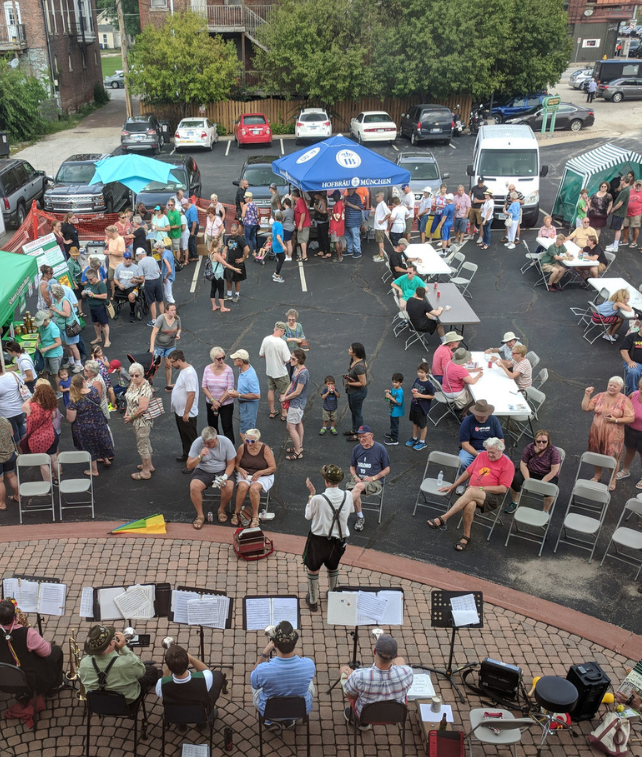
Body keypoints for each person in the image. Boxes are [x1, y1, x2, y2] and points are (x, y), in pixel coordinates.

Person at [428, 437, 513, 551]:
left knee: (471, 491)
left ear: (501, 450)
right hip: (472, 492)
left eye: (492, 453)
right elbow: (468, 472)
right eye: (488, 451)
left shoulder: (508, 464)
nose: (489, 455)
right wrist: (453, 486)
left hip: (492, 497)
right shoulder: (482, 455)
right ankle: (466, 536)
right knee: (470, 504)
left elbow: (502, 489)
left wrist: (480, 488)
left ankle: (444, 518)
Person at [304, 465, 355, 611]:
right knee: (333, 567)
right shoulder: (348, 495)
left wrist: (311, 494)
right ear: (339, 481)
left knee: (313, 569)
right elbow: (350, 510)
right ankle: (333, 596)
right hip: (339, 540)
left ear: (326, 481)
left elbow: (307, 515)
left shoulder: (318, 499)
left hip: (319, 540)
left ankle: (313, 601)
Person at [250, 620, 316, 729]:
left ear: (275, 645)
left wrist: (265, 653)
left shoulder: (262, 670)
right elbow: (300, 659)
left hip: (269, 711)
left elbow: (254, 682)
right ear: (295, 642)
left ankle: (270, 721)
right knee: (309, 681)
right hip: (300, 710)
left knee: (255, 678)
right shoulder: (308, 665)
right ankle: (289, 719)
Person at [341, 634, 412, 726]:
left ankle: (362, 724)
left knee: (343, 669)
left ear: (374, 651)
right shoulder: (408, 672)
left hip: (365, 715)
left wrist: (351, 678)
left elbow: (351, 695)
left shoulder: (358, 676)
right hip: (395, 714)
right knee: (401, 660)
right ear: (395, 655)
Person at [79, 625, 160, 704]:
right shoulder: (128, 662)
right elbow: (141, 672)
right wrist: (123, 647)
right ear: (111, 644)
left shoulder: (84, 663)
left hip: (97, 703)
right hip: (126, 703)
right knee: (152, 671)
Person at [0, 599, 64, 695]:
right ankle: (53, 686)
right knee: (56, 651)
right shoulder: (28, 633)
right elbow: (46, 652)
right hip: (27, 679)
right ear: (15, 617)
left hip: (3, 678)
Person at [582, 378, 635, 488]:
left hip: (614, 434)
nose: (611, 387)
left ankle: (612, 479)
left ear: (620, 388)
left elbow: (631, 418)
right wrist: (587, 395)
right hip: (596, 432)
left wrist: (616, 420)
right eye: (610, 385)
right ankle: (597, 475)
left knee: (613, 456)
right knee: (596, 453)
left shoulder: (624, 400)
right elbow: (585, 408)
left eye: (615, 386)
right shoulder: (600, 396)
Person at [155, 643, 226, 718]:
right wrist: (191, 658)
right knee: (217, 675)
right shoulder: (205, 679)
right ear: (188, 661)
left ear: (168, 665)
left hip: (176, 715)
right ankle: (206, 718)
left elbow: (164, 680)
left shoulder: (160, 685)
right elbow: (206, 670)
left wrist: (172, 664)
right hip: (200, 713)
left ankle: (181, 722)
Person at [186, 426, 236, 529]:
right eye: (204, 443)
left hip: (222, 470)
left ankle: (221, 509)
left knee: (229, 487)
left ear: (216, 438)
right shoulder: (197, 443)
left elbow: (231, 464)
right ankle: (200, 515)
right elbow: (189, 466)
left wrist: (225, 476)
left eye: (209, 443)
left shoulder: (226, 442)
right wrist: (200, 456)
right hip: (203, 470)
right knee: (194, 487)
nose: (206, 445)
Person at [66, 374, 114, 477]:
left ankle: (94, 470)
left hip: (84, 427)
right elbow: (98, 401)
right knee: (100, 441)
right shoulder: (94, 391)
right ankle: (106, 459)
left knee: (90, 448)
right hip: (98, 423)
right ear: (83, 382)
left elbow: (71, 419)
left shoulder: (74, 400)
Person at [347, 425, 390, 532]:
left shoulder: (380, 449)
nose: (361, 439)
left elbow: (387, 469)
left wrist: (374, 478)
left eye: (364, 437)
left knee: (357, 488)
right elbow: (352, 467)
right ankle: (360, 516)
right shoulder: (357, 449)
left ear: (371, 435)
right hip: (358, 480)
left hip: (374, 482)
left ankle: (341, 510)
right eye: (359, 437)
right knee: (356, 489)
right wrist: (355, 476)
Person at [506, 430, 561, 513]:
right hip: (530, 471)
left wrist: (541, 483)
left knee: (551, 489)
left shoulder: (554, 452)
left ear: (548, 441)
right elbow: (523, 464)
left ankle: (545, 511)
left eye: (544, 441)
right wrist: (528, 480)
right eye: (538, 441)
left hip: (547, 474)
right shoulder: (530, 447)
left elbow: (554, 471)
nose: (541, 443)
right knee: (514, 479)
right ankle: (515, 502)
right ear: (535, 440)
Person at [231, 428, 276, 527]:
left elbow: (273, 468)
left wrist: (260, 472)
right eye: (247, 441)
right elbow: (236, 465)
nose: (249, 443)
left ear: (258, 439)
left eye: (252, 441)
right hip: (246, 474)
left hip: (263, 475)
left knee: (254, 489)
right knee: (242, 487)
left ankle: (255, 516)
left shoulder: (265, 449)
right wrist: (240, 469)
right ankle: (236, 512)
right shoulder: (242, 447)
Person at [21, 381, 59, 479]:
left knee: (43, 463)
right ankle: (57, 478)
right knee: (54, 459)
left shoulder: (31, 406)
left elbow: (23, 406)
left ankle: (48, 485)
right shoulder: (50, 404)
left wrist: (33, 395)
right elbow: (53, 416)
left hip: (37, 439)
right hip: (51, 434)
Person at [124, 362, 155, 481]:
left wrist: (131, 417)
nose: (133, 378)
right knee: (145, 442)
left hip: (142, 421)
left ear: (142, 374)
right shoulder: (133, 383)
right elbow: (129, 398)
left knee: (142, 445)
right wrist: (127, 412)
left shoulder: (145, 388)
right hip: (136, 420)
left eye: (136, 375)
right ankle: (149, 465)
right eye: (131, 375)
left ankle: (145, 472)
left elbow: (143, 408)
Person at [169, 350, 199, 466]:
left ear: (179, 360)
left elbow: (191, 394)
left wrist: (186, 413)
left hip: (186, 413)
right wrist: (175, 387)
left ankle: (194, 463)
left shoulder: (189, 373)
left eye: (172, 362)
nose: (171, 364)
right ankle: (186, 455)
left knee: (191, 439)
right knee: (184, 436)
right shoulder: (183, 370)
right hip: (180, 411)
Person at [202, 346, 235, 444]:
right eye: (219, 359)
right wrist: (213, 401)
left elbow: (230, 388)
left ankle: (229, 448)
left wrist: (218, 402)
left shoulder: (228, 370)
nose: (222, 361)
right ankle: (215, 447)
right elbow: (204, 387)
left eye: (223, 358)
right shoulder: (207, 369)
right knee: (212, 427)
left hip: (226, 404)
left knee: (227, 427)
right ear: (213, 359)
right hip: (211, 404)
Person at [458, 399, 503, 470]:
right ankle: (462, 477)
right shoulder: (467, 421)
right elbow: (464, 444)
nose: (483, 417)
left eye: (485, 415)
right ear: (475, 413)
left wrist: (496, 451)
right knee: (462, 462)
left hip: (490, 450)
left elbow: (501, 439)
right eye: (481, 416)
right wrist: (478, 454)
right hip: (472, 450)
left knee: (506, 462)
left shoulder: (494, 420)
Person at [259, 321, 292, 421]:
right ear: (282, 331)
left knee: (271, 390)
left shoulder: (266, 339)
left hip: (270, 371)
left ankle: (272, 411)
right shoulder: (282, 343)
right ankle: (284, 413)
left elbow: (261, 354)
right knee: (283, 392)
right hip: (281, 372)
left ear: (275, 329)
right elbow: (287, 359)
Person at [282, 349, 309, 461]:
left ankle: (298, 452)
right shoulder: (296, 369)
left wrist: (285, 398)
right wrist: (285, 394)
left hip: (296, 404)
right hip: (296, 403)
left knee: (290, 427)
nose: (290, 360)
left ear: (298, 360)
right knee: (298, 423)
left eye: (293, 359)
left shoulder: (302, 374)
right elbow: (292, 382)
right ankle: (299, 446)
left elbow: (298, 392)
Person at [49, 282, 82, 373]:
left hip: (69, 327)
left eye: (52, 291)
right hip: (62, 327)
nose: (51, 293)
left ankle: (79, 364)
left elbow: (67, 314)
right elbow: (53, 313)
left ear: (56, 293)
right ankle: (71, 361)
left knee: (72, 345)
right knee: (66, 344)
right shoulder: (56, 301)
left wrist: (55, 310)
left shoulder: (64, 301)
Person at [228, 349, 261, 442]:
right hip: (244, 405)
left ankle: (250, 450)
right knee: (247, 432)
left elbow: (257, 395)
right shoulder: (242, 369)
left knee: (246, 434)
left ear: (241, 362)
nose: (233, 360)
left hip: (248, 407)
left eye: (235, 359)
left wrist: (238, 395)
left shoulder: (250, 377)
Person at [150, 304, 181, 390]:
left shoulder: (177, 319)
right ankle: (149, 384)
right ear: (166, 311)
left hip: (170, 345)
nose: (174, 312)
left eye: (174, 310)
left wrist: (178, 334)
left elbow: (179, 328)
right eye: (172, 310)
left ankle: (169, 384)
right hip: (159, 346)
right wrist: (152, 347)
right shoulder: (161, 319)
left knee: (168, 365)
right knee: (157, 365)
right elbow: (154, 333)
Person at [618, 376, 642, 489]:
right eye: (640, 388)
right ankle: (625, 470)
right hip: (631, 429)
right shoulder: (634, 395)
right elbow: (624, 407)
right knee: (629, 450)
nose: (641, 391)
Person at [405, 362, 434, 451]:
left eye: (422, 372)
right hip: (414, 406)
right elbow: (412, 389)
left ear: (427, 373)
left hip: (422, 408)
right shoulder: (417, 380)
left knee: (422, 425)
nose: (419, 374)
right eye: (418, 372)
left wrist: (421, 395)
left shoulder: (429, 384)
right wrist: (413, 391)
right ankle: (414, 438)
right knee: (415, 423)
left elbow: (432, 396)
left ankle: (422, 441)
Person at [344, 343, 368, 442]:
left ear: (355, 352)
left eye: (350, 349)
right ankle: (354, 429)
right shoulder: (354, 361)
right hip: (352, 391)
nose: (348, 350)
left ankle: (359, 434)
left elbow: (363, 383)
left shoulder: (359, 367)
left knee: (357, 413)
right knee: (353, 411)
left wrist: (349, 383)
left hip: (357, 393)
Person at [135, 248, 164, 328]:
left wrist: (137, 278)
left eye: (137, 255)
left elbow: (141, 276)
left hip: (149, 282)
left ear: (140, 255)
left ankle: (154, 320)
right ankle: (163, 319)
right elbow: (158, 270)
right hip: (157, 281)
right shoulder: (152, 258)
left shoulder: (140, 263)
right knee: (160, 300)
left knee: (152, 302)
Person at [113, 251, 144, 323]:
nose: (128, 260)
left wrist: (136, 280)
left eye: (130, 258)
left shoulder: (136, 268)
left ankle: (132, 312)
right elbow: (115, 279)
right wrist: (119, 285)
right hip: (122, 286)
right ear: (123, 259)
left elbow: (142, 280)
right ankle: (115, 311)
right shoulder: (118, 267)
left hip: (132, 287)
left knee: (131, 297)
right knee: (116, 295)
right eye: (126, 258)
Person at [82, 269, 111, 347]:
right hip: (92, 307)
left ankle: (107, 340)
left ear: (95, 277)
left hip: (100, 307)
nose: (89, 281)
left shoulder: (101, 284)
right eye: (88, 279)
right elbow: (85, 291)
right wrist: (83, 293)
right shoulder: (88, 284)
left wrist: (94, 295)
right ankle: (98, 338)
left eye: (91, 279)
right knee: (96, 323)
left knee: (104, 324)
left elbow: (104, 296)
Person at [34, 309, 64, 379]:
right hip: (46, 353)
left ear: (45, 320)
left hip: (55, 354)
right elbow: (40, 336)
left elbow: (59, 343)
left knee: (55, 374)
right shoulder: (42, 326)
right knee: (44, 372)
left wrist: (46, 348)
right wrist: (37, 342)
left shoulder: (53, 328)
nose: (40, 325)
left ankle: (59, 386)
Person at [223, 222, 249, 303]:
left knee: (237, 280)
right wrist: (224, 253)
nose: (233, 232)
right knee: (228, 278)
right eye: (232, 231)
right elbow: (226, 248)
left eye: (234, 231)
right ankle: (229, 294)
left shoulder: (240, 239)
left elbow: (247, 249)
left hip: (237, 263)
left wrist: (243, 259)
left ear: (237, 230)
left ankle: (237, 294)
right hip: (229, 262)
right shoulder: (228, 238)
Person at [607, 176, 633, 253]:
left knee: (618, 229)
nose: (620, 181)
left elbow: (620, 203)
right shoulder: (624, 189)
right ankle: (614, 244)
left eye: (621, 180)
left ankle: (615, 246)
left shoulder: (626, 191)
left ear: (624, 181)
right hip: (618, 213)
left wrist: (613, 209)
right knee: (616, 229)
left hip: (620, 213)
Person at [0, 417, 18, 510]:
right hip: (9, 453)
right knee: (11, 475)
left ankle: (2, 504)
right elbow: (11, 434)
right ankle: (17, 496)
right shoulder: (4, 420)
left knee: (0, 481)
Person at [104, 225, 126, 298]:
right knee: (111, 279)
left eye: (107, 234)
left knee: (119, 280)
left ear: (111, 233)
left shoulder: (120, 240)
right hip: (111, 264)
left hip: (119, 265)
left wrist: (109, 252)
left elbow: (121, 253)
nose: (106, 235)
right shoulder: (111, 240)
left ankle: (120, 295)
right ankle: (113, 294)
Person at [283, 309, 306, 377]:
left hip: (297, 351)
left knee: (296, 367)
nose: (291, 321)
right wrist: (295, 339)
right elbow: (283, 338)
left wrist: (301, 339)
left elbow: (302, 335)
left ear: (296, 318)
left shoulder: (299, 326)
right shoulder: (284, 326)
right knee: (288, 368)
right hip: (287, 351)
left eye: (293, 320)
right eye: (289, 319)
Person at [383, 372, 404, 446]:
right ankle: (392, 434)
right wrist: (389, 392)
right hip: (392, 410)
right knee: (392, 423)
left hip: (396, 411)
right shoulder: (394, 388)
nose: (394, 384)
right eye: (393, 382)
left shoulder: (400, 392)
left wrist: (390, 397)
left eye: (396, 382)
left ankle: (394, 439)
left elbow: (399, 402)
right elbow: (393, 393)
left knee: (394, 425)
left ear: (401, 383)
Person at [621, 178, 642, 249]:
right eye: (637, 185)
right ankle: (625, 240)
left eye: (639, 185)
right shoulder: (630, 191)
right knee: (625, 226)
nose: (638, 187)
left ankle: (634, 242)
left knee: (635, 228)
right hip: (627, 213)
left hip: (637, 214)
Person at [344, 188, 363, 259]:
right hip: (347, 220)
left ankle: (358, 251)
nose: (348, 190)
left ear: (353, 189)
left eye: (349, 189)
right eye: (347, 189)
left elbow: (360, 207)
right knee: (348, 236)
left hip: (354, 221)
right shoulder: (347, 197)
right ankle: (349, 250)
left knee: (355, 236)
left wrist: (349, 204)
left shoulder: (357, 197)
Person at [372, 191, 390, 261]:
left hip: (380, 227)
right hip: (378, 226)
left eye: (377, 196)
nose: (376, 198)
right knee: (379, 241)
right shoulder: (380, 204)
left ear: (381, 197)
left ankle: (381, 256)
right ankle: (380, 254)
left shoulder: (383, 204)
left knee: (380, 241)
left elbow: (389, 213)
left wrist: (383, 220)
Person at [293, 189, 311, 261]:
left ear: (294, 196)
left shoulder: (300, 202)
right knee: (301, 239)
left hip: (304, 224)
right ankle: (304, 255)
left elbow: (303, 213)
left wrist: (300, 224)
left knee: (303, 240)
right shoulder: (298, 202)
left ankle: (304, 256)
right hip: (301, 224)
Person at [67, 247, 85, 316]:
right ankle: (79, 312)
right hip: (76, 282)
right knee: (78, 297)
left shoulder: (76, 260)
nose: (75, 256)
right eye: (73, 255)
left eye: (76, 255)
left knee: (80, 297)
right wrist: (74, 284)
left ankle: (79, 311)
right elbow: (71, 275)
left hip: (79, 280)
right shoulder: (70, 262)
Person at [313, 191, 331, 259]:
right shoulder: (318, 201)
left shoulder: (323, 201)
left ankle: (328, 251)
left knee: (324, 236)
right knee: (319, 236)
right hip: (319, 221)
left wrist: (316, 208)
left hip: (324, 222)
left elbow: (324, 211)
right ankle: (321, 250)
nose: (314, 197)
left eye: (315, 195)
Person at [469, 176, 488, 243]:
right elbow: (470, 192)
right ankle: (471, 235)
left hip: (480, 208)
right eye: (479, 182)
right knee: (472, 221)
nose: (479, 184)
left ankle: (481, 236)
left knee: (480, 223)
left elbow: (487, 199)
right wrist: (469, 200)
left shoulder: (486, 189)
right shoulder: (474, 188)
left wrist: (478, 201)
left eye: (481, 182)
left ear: (483, 182)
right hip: (473, 207)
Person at [242, 191, 260, 255]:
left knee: (247, 238)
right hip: (254, 223)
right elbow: (258, 214)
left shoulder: (245, 206)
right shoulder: (255, 205)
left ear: (248, 198)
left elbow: (243, 215)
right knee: (253, 237)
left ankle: (247, 252)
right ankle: (254, 251)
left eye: (245, 198)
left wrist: (242, 216)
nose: (244, 199)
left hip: (248, 223)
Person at [329, 190, 345, 262]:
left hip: (336, 225)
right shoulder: (341, 203)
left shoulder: (338, 204)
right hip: (340, 225)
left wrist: (330, 213)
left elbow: (337, 217)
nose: (333, 197)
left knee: (336, 241)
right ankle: (340, 255)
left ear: (338, 196)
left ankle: (339, 257)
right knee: (339, 241)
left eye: (334, 196)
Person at [272, 210, 286, 283]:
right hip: (278, 245)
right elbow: (278, 237)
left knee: (281, 258)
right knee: (281, 259)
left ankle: (276, 272)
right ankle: (277, 275)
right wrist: (283, 245)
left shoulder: (274, 224)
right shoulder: (280, 225)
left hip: (275, 244)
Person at [282, 197, 297, 262]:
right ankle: (286, 255)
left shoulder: (285, 212)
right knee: (287, 242)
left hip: (286, 228)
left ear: (285, 204)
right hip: (291, 227)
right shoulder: (292, 210)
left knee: (288, 243)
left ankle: (289, 256)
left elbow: (282, 219)